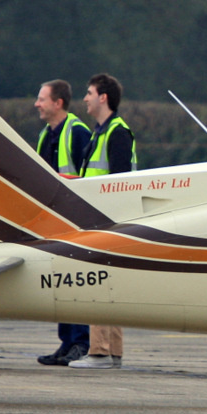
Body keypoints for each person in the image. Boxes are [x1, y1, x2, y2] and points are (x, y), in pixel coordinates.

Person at [67, 73, 137, 369]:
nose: (85, 98)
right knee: (111, 284)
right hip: (101, 218)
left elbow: (120, 182)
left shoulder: (116, 132)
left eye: (89, 92)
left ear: (103, 97)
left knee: (99, 284)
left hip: (106, 220)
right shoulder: (102, 131)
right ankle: (113, 352)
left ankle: (99, 351)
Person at [32, 79, 93, 367]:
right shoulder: (46, 134)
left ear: (58, 103)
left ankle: (80, 341)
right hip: (54, 221)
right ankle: (66, 341)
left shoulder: (78, 131)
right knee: (60, 282)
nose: (37, 104)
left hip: (76, 220)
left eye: (42, 99)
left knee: (76, 282)